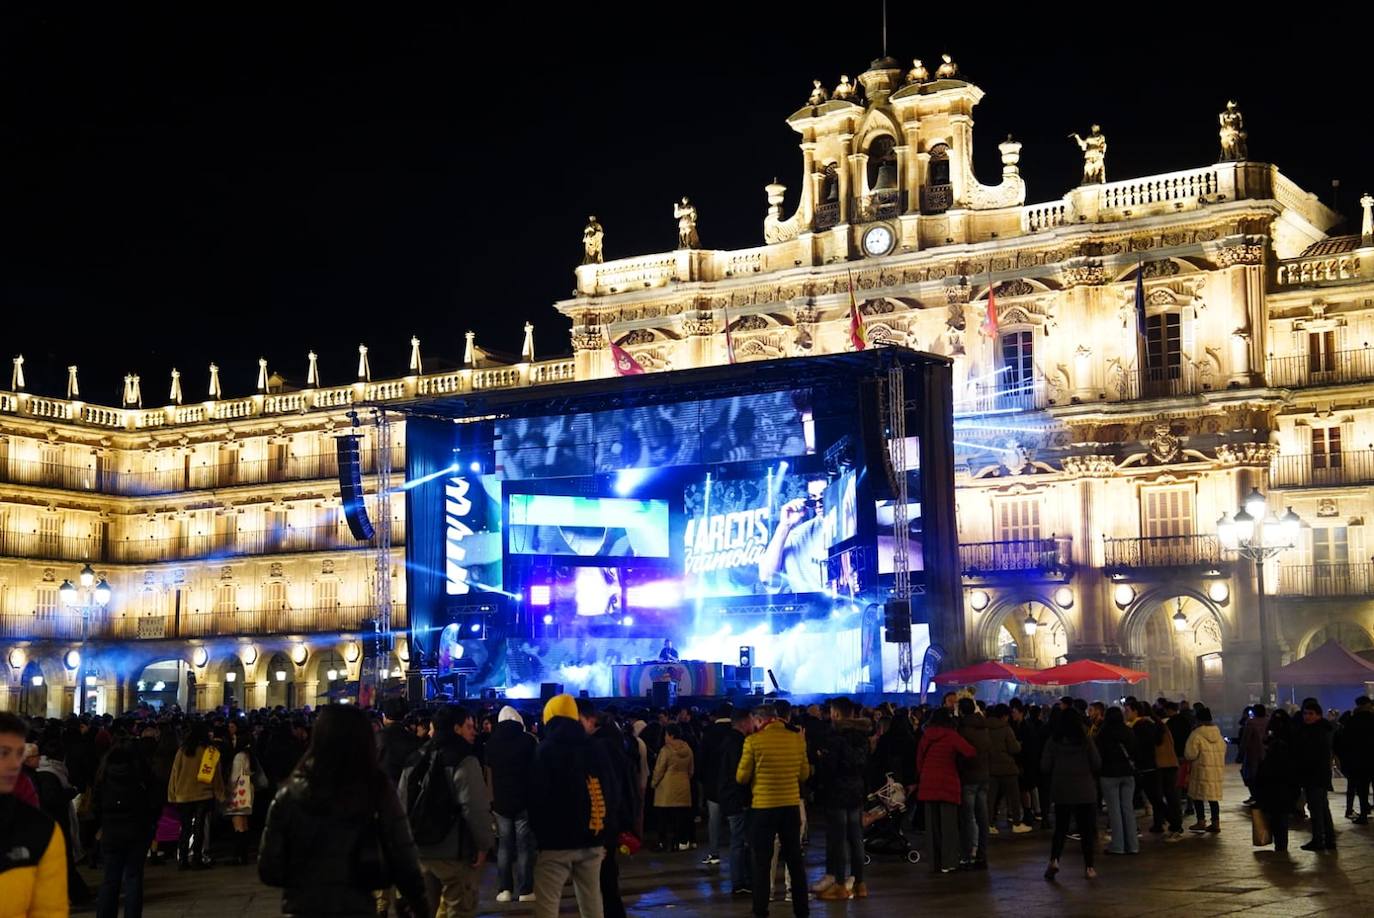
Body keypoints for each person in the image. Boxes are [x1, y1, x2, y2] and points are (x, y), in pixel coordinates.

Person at [259, 704, 428, 917]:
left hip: (303, 908)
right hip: (356, 907)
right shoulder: (377, 790)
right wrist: (418, 903)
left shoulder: (289, 794)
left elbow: (269, 868)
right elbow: (403, 856)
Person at [528, 693, 619, 918]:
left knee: (547, 904)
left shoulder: (544, 750)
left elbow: (537, 798)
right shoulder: (595, 748)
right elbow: (610, 792)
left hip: (555, 843)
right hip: (593, 837)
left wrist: (539, 837)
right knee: (592, 901)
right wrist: (606, 833)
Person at [401, 704, 494, 918]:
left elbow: (401, 801)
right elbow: (474, 807)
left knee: (423, 909)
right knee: (459, 907)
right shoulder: (465, 760)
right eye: (469, 727)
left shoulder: (416, 757)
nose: (474, 732)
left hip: (419, 849)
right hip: (453, 851)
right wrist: (484, 844)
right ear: (456, 728)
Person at [736, 703, 810, 918]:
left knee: (762, 861)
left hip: (764, 808)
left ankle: (760, 910)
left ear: (759, 720)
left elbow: (741, 777)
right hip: (790, 806)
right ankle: (802, 910)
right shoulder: (796, 739)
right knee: (795, 860)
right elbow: (804, 774)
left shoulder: (753, 741)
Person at [0, 712, 68, 914]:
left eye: (19, 753)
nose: (14, 764)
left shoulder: (41, 831)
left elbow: (50, 910)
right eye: (3, 753)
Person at [814, 698, 869, 899]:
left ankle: (839, 885)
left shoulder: (835, 736)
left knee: (838, 839)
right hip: (856, 790)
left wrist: (821, 760)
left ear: (836, 713)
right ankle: (860, 883)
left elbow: (830, 767)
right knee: (856, 839)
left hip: (837, 792)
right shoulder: (862, 734)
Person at [485, 705, 537, 903]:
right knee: (525, 847)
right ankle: (525, 891)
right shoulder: (528, 741)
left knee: (504, 847)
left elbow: (488, 773)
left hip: (500, 803)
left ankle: (504, 889)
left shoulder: (491, 743)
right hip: (524, 800)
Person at [1042, 708, 1101, 881]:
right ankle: (1089, 867)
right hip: (1085, 790)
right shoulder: (1086, 740)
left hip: (1061, 789)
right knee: (1086, 831)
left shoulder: (1053, 740)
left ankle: (1054, 860)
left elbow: (1045, 766)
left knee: (1060, 828)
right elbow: (1097, 763)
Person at [916, 707, 975, 874]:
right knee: (948, 825)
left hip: (928, 782)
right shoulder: (951, 735)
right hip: (947, 781)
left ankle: (933, 863)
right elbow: (969, 751)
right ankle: (948, 862)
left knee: (932, 826)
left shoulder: (925, 735)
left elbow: (919, 761)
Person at [166, 720, 224, 870]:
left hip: (184, 794)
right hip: (203, 795)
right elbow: (216, 776)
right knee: (199, 828)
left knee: (185, 828)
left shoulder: (183, 750)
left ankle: (182, 859)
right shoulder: (210, 751)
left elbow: (174, 772)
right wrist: (220, 794)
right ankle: (197, 858)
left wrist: (172, 793)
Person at [718, 707, 755, 897]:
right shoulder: (738, 743)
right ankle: (739, 882)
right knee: (739, 841)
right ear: (743, 722)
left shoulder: (727, 740)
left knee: (740, 840)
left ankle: (743, 880)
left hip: (730, 798)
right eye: (751, 720)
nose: (753, 724)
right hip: (737, 799)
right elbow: (739, 774)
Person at [1254, 710, 1299, 852]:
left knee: (1275, 816)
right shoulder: (1291, 737)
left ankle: (1278, 843)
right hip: (1285, 784)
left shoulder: (1272, 743)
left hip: (1274, 784)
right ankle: (1281, 844)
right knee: (1282, 816)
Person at [1096, 706, 1139, 855]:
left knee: (1114, 811)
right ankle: (1133, 845)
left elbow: (1099, 755)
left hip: (1109, 774)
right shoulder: (1128, 731)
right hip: (1128, 774)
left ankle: (1118, 845)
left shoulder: (1103, 734)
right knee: (1128, 809)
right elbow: (1134, 750)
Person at [955, 697, 992, 869]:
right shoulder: (983, 727)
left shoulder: (962, 730)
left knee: (968, 817)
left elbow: (959, 755)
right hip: (984, 775)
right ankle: (982, 854)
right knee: (983, 817)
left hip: (968, 777)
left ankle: (969, 854)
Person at [1296, 698, 1337, 851]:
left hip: (1315, 775)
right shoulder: (1322, 729)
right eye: (1305, 713)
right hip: (1317, 775)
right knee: (1323, 808)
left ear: (1318, 715)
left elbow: (1313, 755)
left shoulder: (1317, 732)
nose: (1307, 716)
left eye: (1310, 714)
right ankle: (1329, 839)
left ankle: (1318, 839)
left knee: (1316, 809)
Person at [698, 706, 735, 868]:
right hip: (734, 784)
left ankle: (714, 852)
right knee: (736, 822)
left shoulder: (708, 732)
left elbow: (702, 759)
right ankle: (739, 853)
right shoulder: (736, 732)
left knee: (714, 820)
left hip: (713, 784)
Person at [985, 703, 1029, 834]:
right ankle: (1016, 823)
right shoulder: (1006, 728)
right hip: (1007, 767)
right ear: (1004, 716)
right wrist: (1019, 745)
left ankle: (989, 824)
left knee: (991, 799)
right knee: (1014, 797)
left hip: (990, 767)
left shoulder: (985, 727)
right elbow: (1014, 748)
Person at [651, 723, 695, 851]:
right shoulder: (688, 749)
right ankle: (679, 843)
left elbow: (659, 770)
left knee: (663, 819)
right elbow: (691, 770)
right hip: (683, 787)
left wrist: (653, 783)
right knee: (679, 818)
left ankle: (662, 843)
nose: (665, 737)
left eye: (666, 734)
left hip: (666, 789)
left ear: (671, 735)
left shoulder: (666, 750)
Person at [1183, 706, 1225, 834]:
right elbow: (1224, 749)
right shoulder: (1218, 734)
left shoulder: (1196, 734)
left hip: (1200, 770)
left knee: (1197, 796)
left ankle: (1201, 821)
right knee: (1213, 798)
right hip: (1216, 770)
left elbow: (1190, 754)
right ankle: (1215, 823)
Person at [1334, 696, 1374, 822]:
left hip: (1358, 761)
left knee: (1362, 789)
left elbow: (1344, 742)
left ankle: (1363, 815)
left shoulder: (1352, 721)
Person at [376, 697, 421, 787]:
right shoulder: (413, 737)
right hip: (407, 785)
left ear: (384, 716)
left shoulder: (378, 737)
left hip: (382, 785)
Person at [1239, 704, 1270, 806]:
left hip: (1253, 753)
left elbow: (1245, 739)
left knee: (1251, 776)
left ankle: (1256, 797)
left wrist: (1241, 753)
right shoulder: (1269, 721)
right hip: (1267, 753)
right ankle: (1264, 797)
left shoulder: (1250, 723)